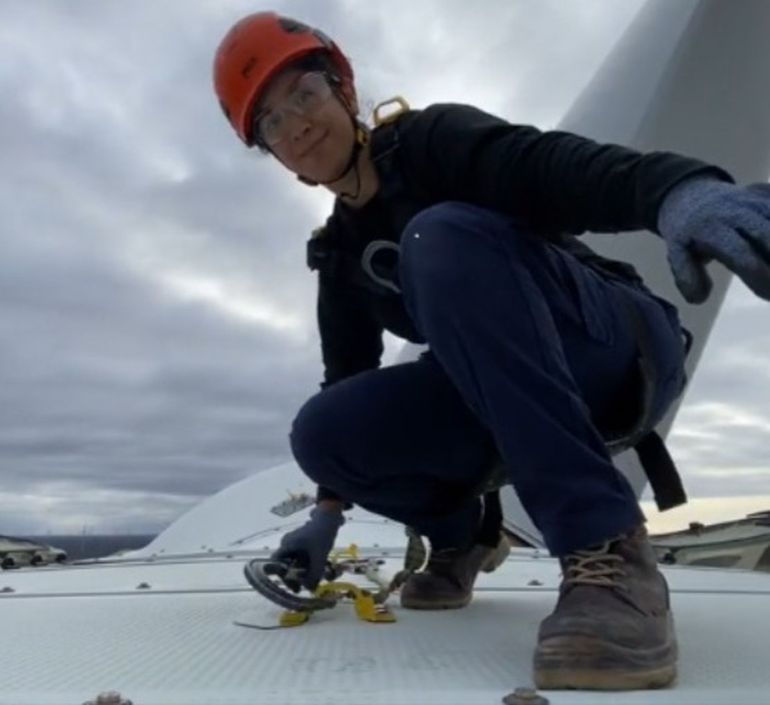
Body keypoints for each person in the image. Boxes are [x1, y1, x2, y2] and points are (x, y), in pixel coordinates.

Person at [212, 12, 770, 691]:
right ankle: (465, 538)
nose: (295, 123)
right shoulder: (338, 258)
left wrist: (676, 193)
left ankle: (608, 552)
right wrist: (323, 521)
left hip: (615, 348)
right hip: (509, 387)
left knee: (437, 236)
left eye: (303, 92)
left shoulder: (429, 143)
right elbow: (347, 376)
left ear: (343, 91)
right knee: (324, 430)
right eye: (270, 122)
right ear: (272, 152)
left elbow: (552, 167)